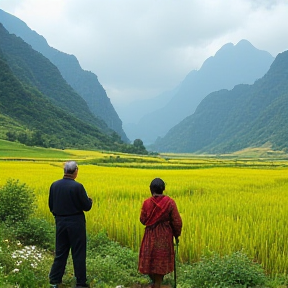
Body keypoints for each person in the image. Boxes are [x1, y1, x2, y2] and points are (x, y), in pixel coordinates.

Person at [48, 161, 92, 288]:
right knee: (78, 252)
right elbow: (86, 206)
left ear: (65, 171)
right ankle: (80, 283)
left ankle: (54, 280)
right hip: (76, 222)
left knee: (61, 251)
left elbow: (51, 205)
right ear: (76, 171)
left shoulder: (54, 185)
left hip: (60, 221)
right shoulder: (77, 187)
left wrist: (59, 217)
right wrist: (90, 200)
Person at [138, 178, 182, 288]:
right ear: (164, 189)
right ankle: (157, 283)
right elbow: (177, 221)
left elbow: (142, 220)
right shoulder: (170, 202)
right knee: (160, 262)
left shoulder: (146, 203)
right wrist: (177, 234)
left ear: (151, 189)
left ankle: (155, 283)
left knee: (150, 260)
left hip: (150, 235)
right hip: (164, 236)